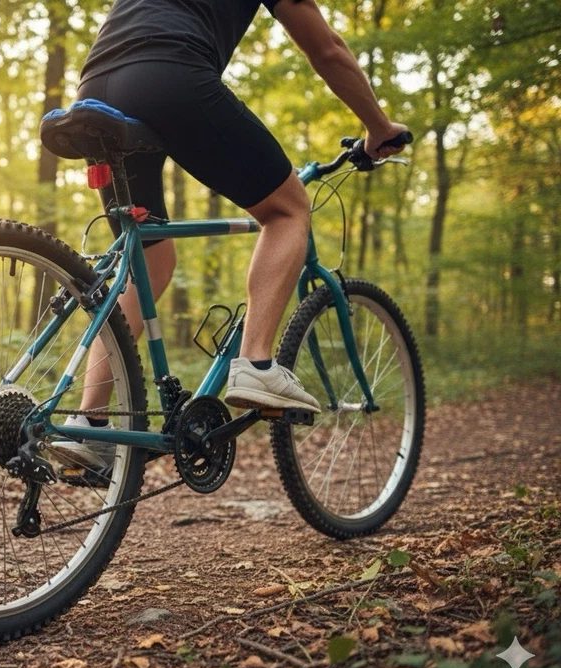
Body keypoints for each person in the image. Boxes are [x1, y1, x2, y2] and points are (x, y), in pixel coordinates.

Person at [49, 0, 409, 480]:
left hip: (95, 87)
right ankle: (255, 364)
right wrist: (378, 127)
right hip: (170, 73)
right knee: (288, 210)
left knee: (150, 263)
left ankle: (88, 422)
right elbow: (326, 49)